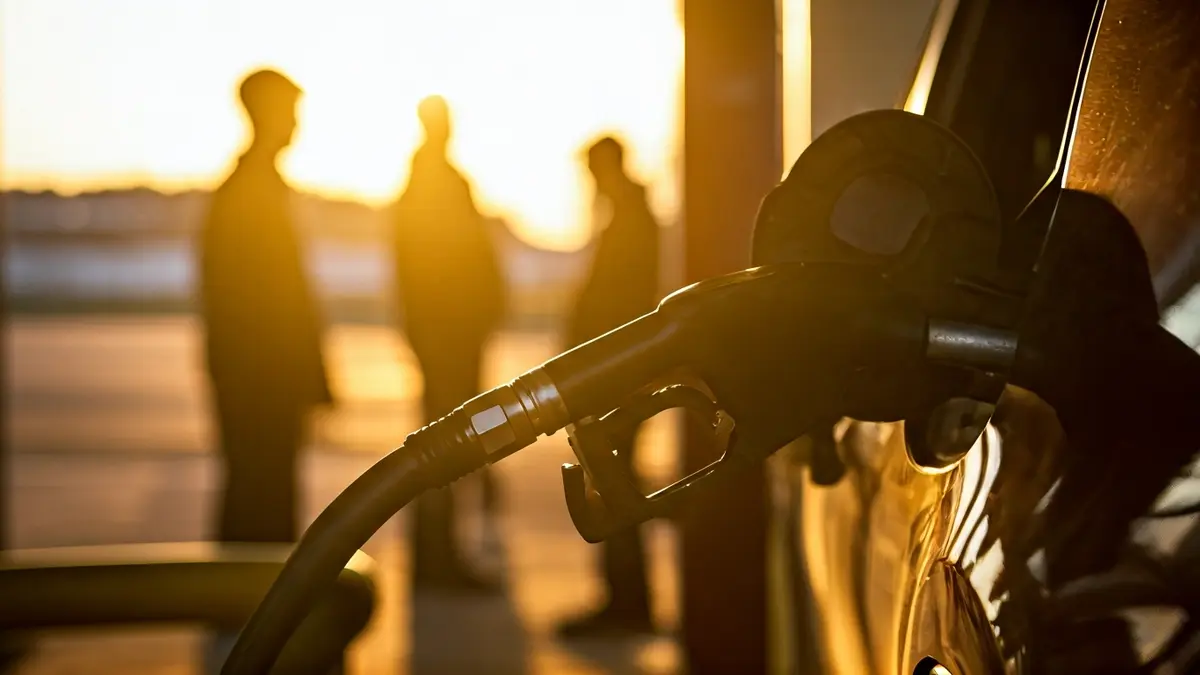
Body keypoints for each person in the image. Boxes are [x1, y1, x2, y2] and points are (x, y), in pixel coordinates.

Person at [198, 68, 332, 545]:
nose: (296, 125)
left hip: (261, 376)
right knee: (261, 495)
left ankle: (249, 598)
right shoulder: (250, 194)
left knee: (261, 493)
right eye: (290, 112)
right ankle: (251, 601)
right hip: (260, 378)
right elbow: (272, 300)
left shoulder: (256, 188)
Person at [392, 95, 506, 592]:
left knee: (450, 443)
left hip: (452, 333)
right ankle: (437, 560)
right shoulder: (433, 181)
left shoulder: (432, 179)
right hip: (448, 336)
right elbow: (437, 265)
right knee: (446, 447)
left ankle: (437, 557)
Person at [557, 136, 661, 637]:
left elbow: (617, 306)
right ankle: (626, 598)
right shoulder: (629, 215)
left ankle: (626, 601)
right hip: (616, 374)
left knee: (613, 480)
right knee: (614, 479)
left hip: (618, 377)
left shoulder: (630, 220)